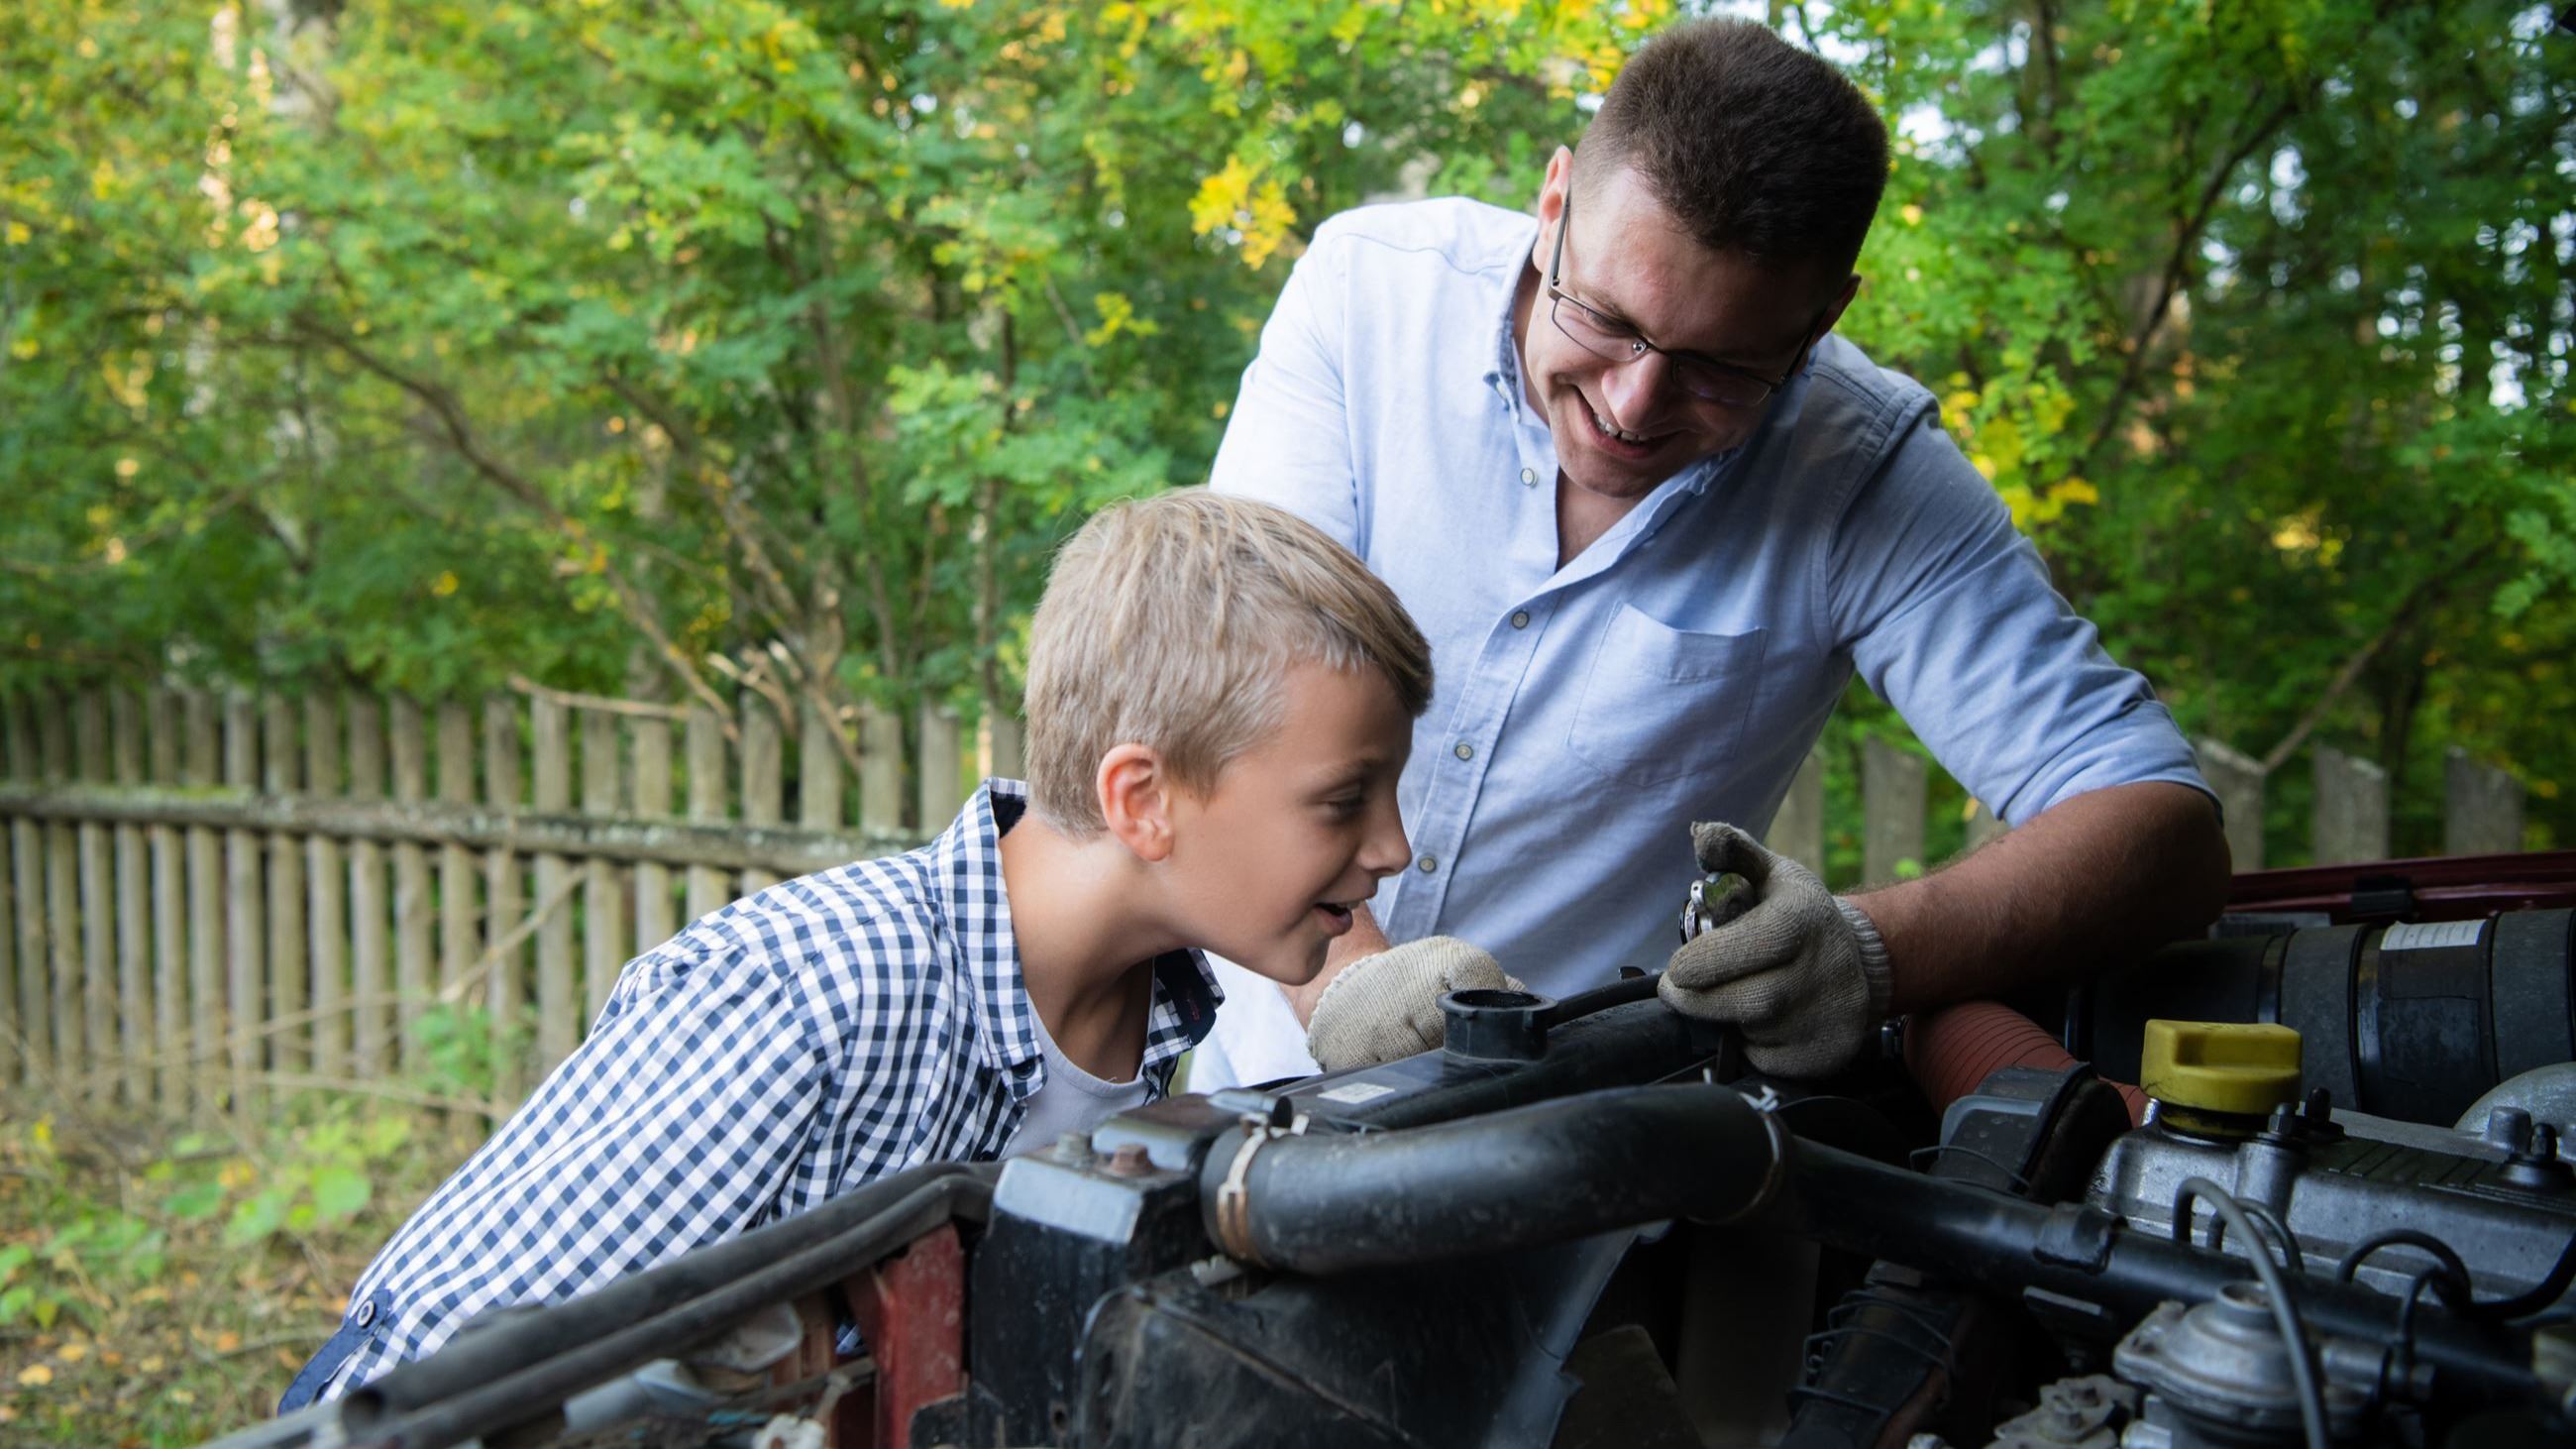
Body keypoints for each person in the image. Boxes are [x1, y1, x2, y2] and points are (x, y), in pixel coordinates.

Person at [1192, 18, 2228, 1089]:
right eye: (1603, 317)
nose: (1631, 404)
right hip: (1232, 1088)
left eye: (1719, 368)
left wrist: (1868, 950)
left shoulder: (1861, 474)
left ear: (1820, 320)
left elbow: (2163, 829)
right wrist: (1350, 979)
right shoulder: (1368, 298)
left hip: (1586, 1142)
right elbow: (1227, 688)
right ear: (1554, 204)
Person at [277, 491, 1433, 1408]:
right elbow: (446, 1380)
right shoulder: (810, 997)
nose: (1392, 847)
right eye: (1344, 799)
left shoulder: (1158, 1014)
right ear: (1142, 800)